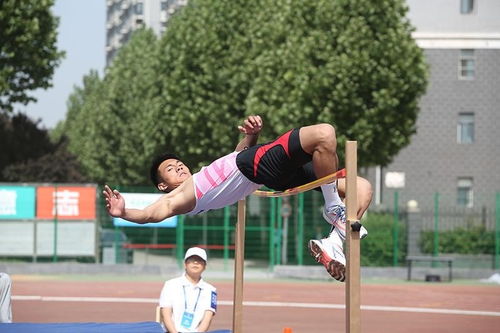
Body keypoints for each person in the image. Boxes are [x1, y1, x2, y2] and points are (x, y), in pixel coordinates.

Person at [104, 115, 373, 281]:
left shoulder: (204, 175)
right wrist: (124, 213)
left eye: (179, 163)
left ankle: (334, 242)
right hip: (254, 165)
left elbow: (234, 158)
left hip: (257, 169)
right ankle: (333, 210)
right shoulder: (179, 197)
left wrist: (251, 135)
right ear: (163, 186)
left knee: (361, 188)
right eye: (171, 170)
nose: (180, 167)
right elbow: (152, 213)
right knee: (324, 132)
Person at [159, 247, 217, 333]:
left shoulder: (211, 290)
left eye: (200, 260)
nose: (196, 262)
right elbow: (166, 314)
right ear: (185, 264)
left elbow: (207, 319)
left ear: (205, 266)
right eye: (192, 259)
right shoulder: (170, 285)